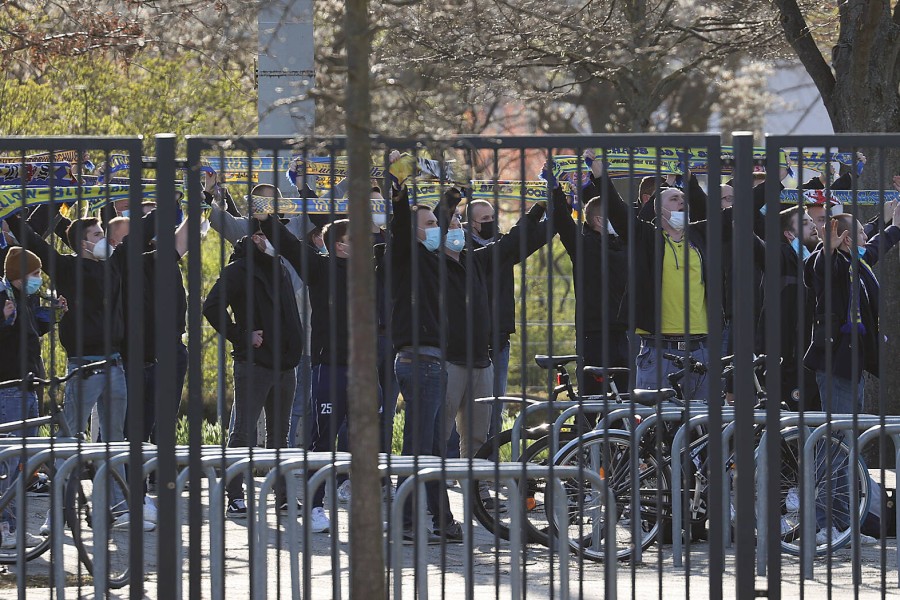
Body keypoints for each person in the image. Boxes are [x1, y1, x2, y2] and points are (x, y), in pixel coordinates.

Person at [5, 210, 154, 532]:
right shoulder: (69, 268)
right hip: (83, 368)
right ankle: (57, 513)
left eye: (104, 234)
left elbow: (139, 234)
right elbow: (34, 241)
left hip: (115, 364)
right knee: (68, 440)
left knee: (115, 440)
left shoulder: (114, 265)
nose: (105, 240)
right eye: (98, 235)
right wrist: (22, 213)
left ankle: (120, 507)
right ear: (83, 244)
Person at [256, 213, 378, 533]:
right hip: (331, 366)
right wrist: (265, 218)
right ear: (339, 245)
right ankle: (314, 506)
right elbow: (291, 246)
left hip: (364, 369)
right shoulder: (322, 269)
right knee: (323, 439)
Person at [803, 201, 900, 544]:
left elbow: (873, 248)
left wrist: (892, 225)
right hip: (836, 365)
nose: (865, 235)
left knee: (845, 445)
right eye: (858, 231)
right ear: (843, 238)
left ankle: (844, 523)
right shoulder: (830, 263)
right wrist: (825, 251)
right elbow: (816, 270)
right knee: (833, 446)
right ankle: (824, 524)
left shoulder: (855, 261)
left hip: (854, 364)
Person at [599, 157, 727, 402]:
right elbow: (617, 211)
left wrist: (689, 182)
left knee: (703, 428)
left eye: (683, 199)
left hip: (700, 349)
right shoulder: (648, 238)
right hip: (658, 350)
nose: (681, 202)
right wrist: (599, 175)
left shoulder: (701, 236)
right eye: (674, 199)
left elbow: (720, 215)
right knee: (655, 427)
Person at [202, 224, 304, 519]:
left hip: (285, 365)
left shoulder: (280, 267)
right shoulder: (238, 270)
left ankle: (284, 496)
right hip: (254, 365)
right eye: (268, 236)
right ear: (257, 238)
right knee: (244, 433)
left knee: (279, 436)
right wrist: (242, 334)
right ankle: (234, 496)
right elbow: (211, 307)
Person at [390, 184, 461, 543]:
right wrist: (400, 192)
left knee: (431, 446)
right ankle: (403, 521)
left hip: (434, 361)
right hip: (419, 361)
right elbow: (402, 226)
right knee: (418, 446)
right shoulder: (405, 256)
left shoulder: (433, 260)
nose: (437, 227)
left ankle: (442, 520)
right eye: (429, 222)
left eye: (438, 221)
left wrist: (450, 199)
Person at [0, 247, 62, 548]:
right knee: (13, 463)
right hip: (11, 389)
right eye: (35, 273)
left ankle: (10, 525)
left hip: (27, 387)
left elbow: (32, 334)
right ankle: (6, 527)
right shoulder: (5, 299)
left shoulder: (23, 301)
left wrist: (54, 315)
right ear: (19, 274)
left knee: (23, 464)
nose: (39, 279)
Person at [549, 174, 629, 395]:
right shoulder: (583, 245)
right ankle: (585, 429)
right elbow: (563, 222)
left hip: (622, 333)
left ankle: (616, 431)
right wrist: (556, 190)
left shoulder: (624, 243)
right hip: (594, 333)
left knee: (621, 397)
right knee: (593, 396)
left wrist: (588, 185)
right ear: (599, 221)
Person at [756, 206, 820, 410]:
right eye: (803, 223)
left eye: (811, 220)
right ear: (789, 234)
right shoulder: (780, 256)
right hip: (787, 365)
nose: (812, 225)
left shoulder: (821, 258)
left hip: (816, 364)